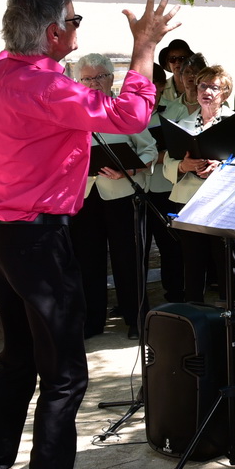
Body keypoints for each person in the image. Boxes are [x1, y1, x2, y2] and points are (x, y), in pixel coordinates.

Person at [0, 0, 178, 469]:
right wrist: (143, 51)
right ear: (55, 32)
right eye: (75, 21)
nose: (80, 30)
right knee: (64, 377)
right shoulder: (43, 86)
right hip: (35, 242)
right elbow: (130, 115)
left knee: (17, 360)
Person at [70, 53, 158, 340]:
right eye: (87, 78)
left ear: (111, 78)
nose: (93, 83)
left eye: (99, 77)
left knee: (128, 259)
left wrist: (128, 169)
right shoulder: (72, 113)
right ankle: (91, 321)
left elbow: (149, 150)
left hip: (123, 193)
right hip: (85, 194)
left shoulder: (125, 109)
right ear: (78, 81)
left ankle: (136, 317)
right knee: (88, 261)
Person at [163, 65, 235, 304]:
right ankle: (195, 316)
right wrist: (184, 166)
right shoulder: (183, 123)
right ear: (196, 91)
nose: (207, 91)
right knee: (193, 262)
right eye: (203, 86)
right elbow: (168, 163)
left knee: (226, 261)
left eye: (214, 87)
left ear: (225, 93)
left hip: (222, 202)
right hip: (189, 202)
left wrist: (222, 166)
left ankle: (233, 313)